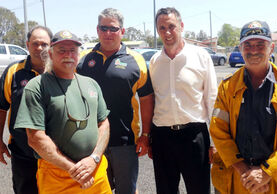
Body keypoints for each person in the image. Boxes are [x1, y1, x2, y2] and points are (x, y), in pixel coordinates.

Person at [14, 30, 112, 194]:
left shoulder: (91, 84)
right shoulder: (37, 86)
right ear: (51, 55)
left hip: (95, 172)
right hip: (58, 177)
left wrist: (94, 158)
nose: (68, 55)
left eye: (72, 50)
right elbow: (35, 138)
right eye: (62, 51)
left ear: (78, 54)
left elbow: (104, 123)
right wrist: (74, 170)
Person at [210, 20, 277, 194]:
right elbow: (218, 130)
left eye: (260, 44)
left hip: (276, 182)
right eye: (248, 45)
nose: (253, 50)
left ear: (271, 48)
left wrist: (267, 172)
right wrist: (244, 171)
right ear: (241, 48)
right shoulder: (227, 87)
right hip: (237, 180)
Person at [77, 8, 154, 194]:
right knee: (94, 189)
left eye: (113, 29)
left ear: (122, 31)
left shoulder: (136, 61)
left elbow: (146, 99)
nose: (108, 33)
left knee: (127, 189)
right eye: (103, 28)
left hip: (125, 141)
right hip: (89, 142)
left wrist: (145, 134)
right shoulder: (83, 60)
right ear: (97, 30)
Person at [149, 7, 218, 194]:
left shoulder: (201, 57)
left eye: (171, 26)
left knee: (199, 190)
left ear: (181, 26)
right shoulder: (155, 62)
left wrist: (214, 142)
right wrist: (148, 137)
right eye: (162, 28)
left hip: (194, 136)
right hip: (162, 138)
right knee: (166, 190)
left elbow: (212, 99)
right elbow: (153, 101)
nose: (167, 32)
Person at [0, 26, 52, 194]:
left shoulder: (60, 71)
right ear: (28, 45)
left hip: (56, 154)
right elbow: (2, 108)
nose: (39, 48)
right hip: (23, 153)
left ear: (51, 46)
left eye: (44, 44)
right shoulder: (13, 72)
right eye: (35, 43)